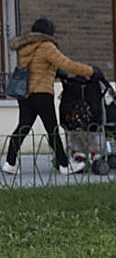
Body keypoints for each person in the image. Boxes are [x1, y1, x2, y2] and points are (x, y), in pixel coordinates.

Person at [4, 17, 96, 175]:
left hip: (25, 94)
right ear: (48, 31)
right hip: (42, 94)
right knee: (52, 130)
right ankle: (65, 165)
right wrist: (91, 71)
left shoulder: (26, 47)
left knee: (23, 128)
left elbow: (37, 67)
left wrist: (56, 73)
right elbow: (67, 64)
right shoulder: (47, 46)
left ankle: (10, 163)